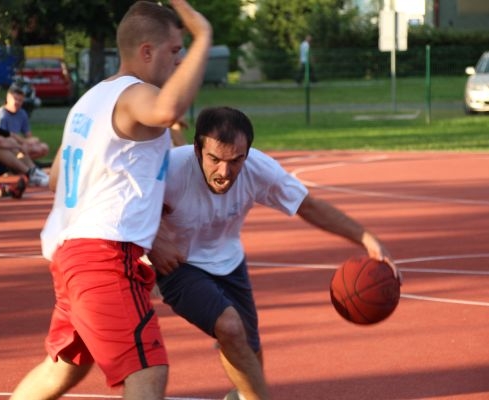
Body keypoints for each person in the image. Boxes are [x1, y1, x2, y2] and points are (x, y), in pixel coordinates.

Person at [9, 1, 212, 400]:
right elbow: (169, 107)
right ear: (147, 51)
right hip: (103, 256)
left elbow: (56, 179)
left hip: (72, 253)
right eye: (175, 50)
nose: (180, 59)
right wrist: (203, 35)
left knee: (63, 369)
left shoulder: (89, 101)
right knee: (147, 369)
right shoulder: (136, 93)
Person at [148, 106, 401, 400]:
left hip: (229, 260)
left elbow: (308, 206)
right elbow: (119, 204)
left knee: (249, 348)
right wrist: (154, 242)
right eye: (214, 159)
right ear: (196, 149)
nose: (224, 172)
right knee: (230, 328)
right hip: (178, 263)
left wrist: (366, 238)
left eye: (235, 160)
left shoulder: (258, 169)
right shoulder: (168, 170)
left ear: (247, 154)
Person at [0, 84, 49, 160]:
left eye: (20, 100)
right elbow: (3, 136)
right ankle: (20, 163)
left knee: (43, 147)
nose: (17, 102)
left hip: (18, 143)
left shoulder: (22, 113)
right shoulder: (1, 114)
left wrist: (32, 141)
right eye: (15, 99)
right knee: (21, 147)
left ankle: (22, 162)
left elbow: (28, 134)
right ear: (8, 98)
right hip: (4, 145)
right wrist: (24, 141)